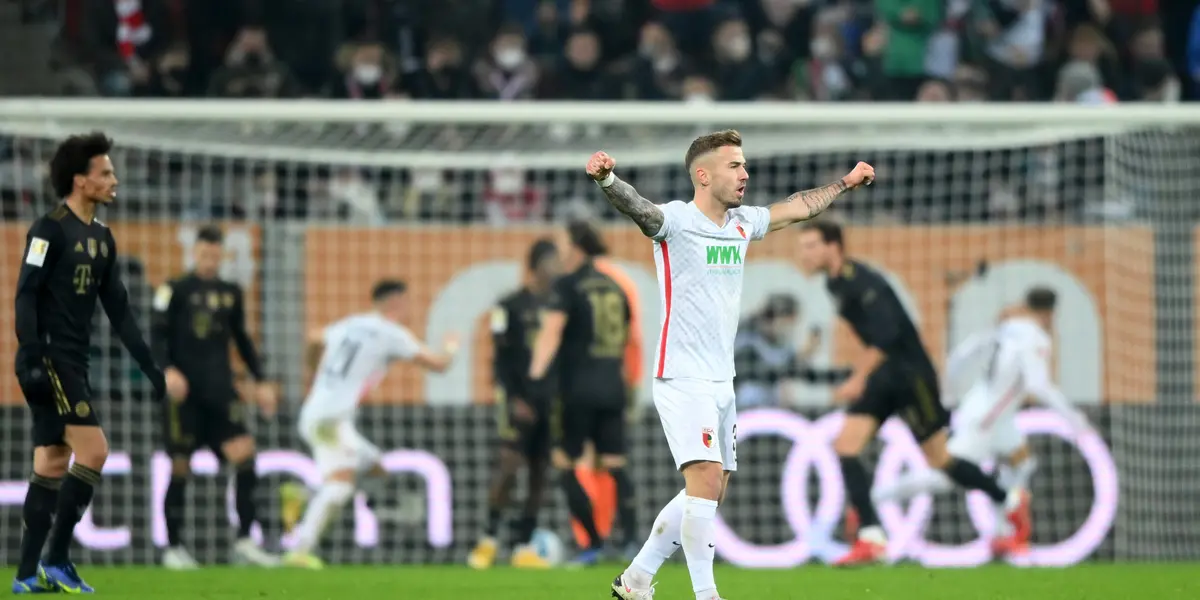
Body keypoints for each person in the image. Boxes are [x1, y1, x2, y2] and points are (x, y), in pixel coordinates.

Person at [592, 129, 874, 600]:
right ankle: (707, 595)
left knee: (711, 491)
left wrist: (844, 183)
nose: (745, 173)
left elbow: (798, 207)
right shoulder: (676, 220)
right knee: (704, 480)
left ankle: (637, 579)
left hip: (723, 379)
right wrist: (607, 181)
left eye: (744, 164)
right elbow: (640, 209)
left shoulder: (743, 222)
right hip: (682, 375)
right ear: (703, 176)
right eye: (734, 165)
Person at [796, 220, 1030, 566]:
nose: (804, 254)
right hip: (885, 375)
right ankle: (872, 536)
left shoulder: (862, 281)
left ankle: (1009, 498)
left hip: (911, 376)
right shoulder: (834, 284)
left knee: (940, 459)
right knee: (845, 446)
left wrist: (858, 378)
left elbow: (888, 336)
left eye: (811, 246)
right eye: (802, 247)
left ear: (834, 247)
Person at [12, 132, 166, 594]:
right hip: (50, 357)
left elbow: (119, 308)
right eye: (106, 173)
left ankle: (25, 576)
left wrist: (148, 363)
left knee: (52, 462)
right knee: (94, 451)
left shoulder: (102, 237)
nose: (114, 180)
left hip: (75, 360)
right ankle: (57, 558)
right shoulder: (49, 229)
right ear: (81, 181)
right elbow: (26, 294)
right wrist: (31, 354)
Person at [870, 287, 1091, 557]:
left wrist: (949, 393)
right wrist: (1074, 418)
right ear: (1050, 314)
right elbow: (1038, 384)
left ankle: (1002, 533)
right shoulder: (1036, 338)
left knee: (1023, 463)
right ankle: (873, 498)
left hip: (992, 412)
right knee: (944, 477)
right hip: (987, 419)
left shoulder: (1006, 327)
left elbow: (962, 355)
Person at [282, 280, 459, 569]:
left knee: (375, 468)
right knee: (340, 488)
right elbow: (439, 364)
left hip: (320, 412)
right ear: (396, 302)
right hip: (331, 420)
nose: (409, 309)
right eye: (406, 302)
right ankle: (300, 550)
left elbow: (314, 338)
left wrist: (314, 370)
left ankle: (304, 495)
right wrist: (451, 347)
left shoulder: (351, 324)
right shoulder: (391, 333)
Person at [152, 224, 280, 569]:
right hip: (184, 396)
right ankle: (173, 548)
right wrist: (167, 370)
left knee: (245, 456)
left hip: (220, 392)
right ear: (194, 253)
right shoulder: (173, 289)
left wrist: (261, 380)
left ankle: (245, 542)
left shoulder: (231, 292)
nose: (209, 260)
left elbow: (242, 340)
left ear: (222, 255)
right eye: (204, 254)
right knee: (180, 467)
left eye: (214, 254)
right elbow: (155, 336)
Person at [527, 221, 636, 566]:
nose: (557, 250)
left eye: (561, 243)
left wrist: (534, 378)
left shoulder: (567, 285)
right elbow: (627, 336)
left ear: (575, 246)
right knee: (616, 464)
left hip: (576, 390)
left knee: (564, 462)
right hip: (613, 387)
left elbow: (551, 333)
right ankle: (632, 542)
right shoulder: (614, 287)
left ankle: (593, 543)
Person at [468, 239, 561, 569]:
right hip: (516, 399)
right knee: (509, 465)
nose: (557, 268)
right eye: (552, 261)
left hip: (550, 400)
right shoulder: (507, 305)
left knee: (539, 472)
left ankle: (523, 545)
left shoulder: (560, 306)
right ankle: (488, 539)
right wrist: (514, 396)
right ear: (535, 265)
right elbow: (500, 357)